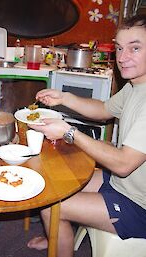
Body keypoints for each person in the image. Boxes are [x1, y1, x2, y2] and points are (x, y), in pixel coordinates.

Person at [27, 14, 146, 257]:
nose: (122, 58)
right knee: (54, 183)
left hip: (139, 204)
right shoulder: (136, 85)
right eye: (119, 48)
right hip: (121, 184)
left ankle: (59, 241)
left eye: (135, 48)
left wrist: (69, 132)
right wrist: (64, 98)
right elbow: (103, 110)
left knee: (53, 206)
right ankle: (58, 238)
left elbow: (123, 164)